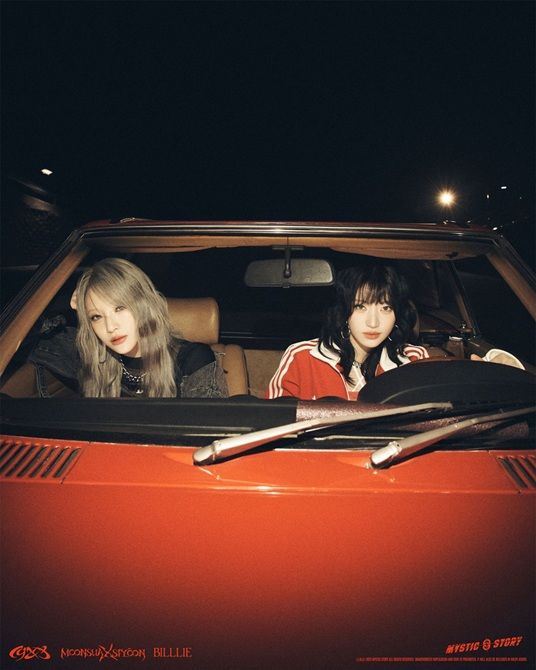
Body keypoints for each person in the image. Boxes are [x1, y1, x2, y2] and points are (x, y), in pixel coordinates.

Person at [29, 258, 228, 398]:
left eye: (120, 308)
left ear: (144, 305)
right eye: (96, 316)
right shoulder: (91, 355)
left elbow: (206, 429)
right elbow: (20, 338)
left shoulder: (192, 359)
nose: (110, 326)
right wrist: (70, 307)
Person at [266, 262, 429, 400]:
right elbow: (272, 420)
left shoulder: (413, 360)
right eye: (360, 307)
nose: (373, 322)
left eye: (385, 308)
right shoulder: (302, 357)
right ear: (344, 312)